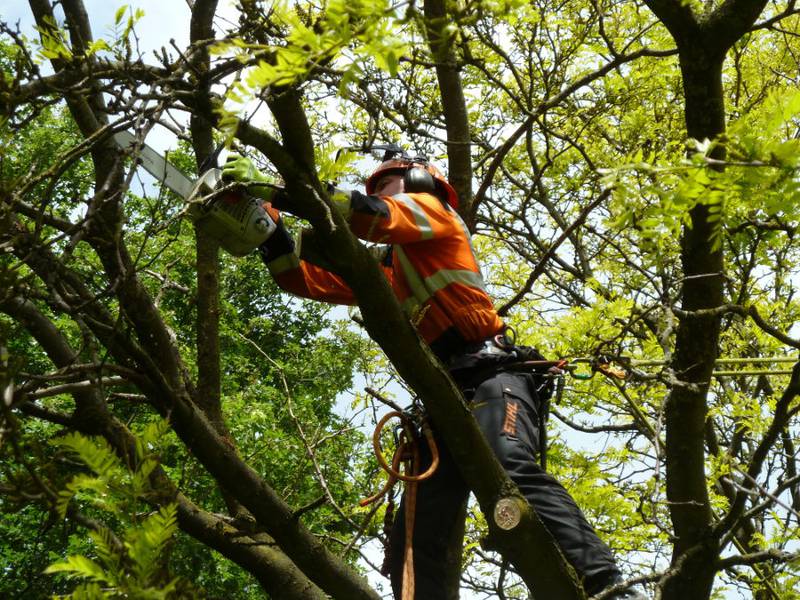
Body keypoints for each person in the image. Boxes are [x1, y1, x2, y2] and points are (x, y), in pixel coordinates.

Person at [223, 148, 645, 600]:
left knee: (507, 463)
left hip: (492, 376)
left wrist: (274, 187)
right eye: (378, 187)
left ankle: (608, 584)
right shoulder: (389, 269)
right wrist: (267, 226)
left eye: (387, 183)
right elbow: (302, 278)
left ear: (421, 182)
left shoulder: (433, 212)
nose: (380, 191)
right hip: (444, 399)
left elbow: (367, 213)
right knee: (417, 533)